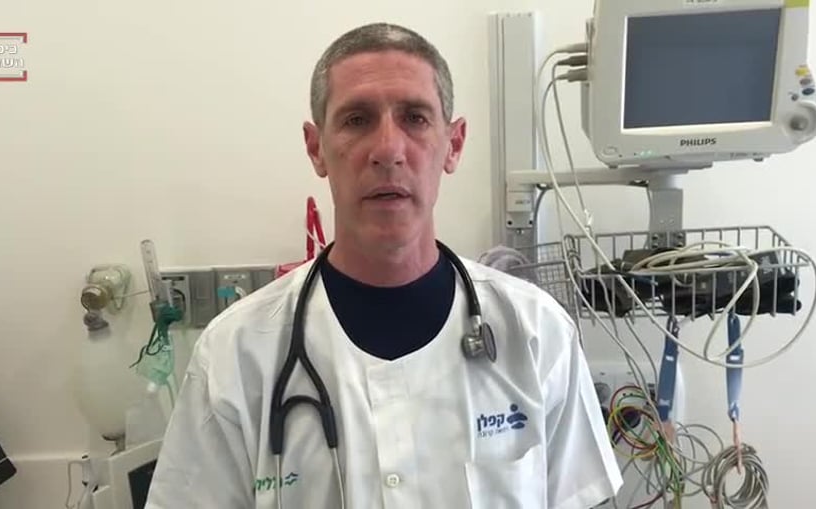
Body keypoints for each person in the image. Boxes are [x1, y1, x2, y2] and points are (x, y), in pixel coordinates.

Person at [145, 22, 622, 508]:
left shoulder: (537, 334)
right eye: (357, 120)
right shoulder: (233, 357)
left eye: (415, 118)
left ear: (454, 144)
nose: (388, 150)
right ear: (316, 148)